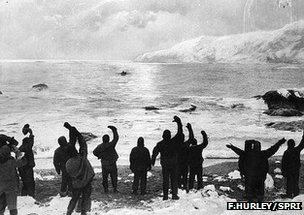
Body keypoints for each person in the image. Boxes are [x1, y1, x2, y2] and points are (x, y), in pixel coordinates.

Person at [151, 116, 184, 200]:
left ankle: (165, 196)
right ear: (169, 136)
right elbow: (180, 132)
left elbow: (154, 152)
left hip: (165, 164)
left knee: (165, 180)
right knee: (174, 180)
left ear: (162, 136)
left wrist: (152, 161)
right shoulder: (173, 141)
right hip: (173, 164)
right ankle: (174, 195)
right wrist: (179, 122)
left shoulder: (160, 144)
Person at [64, 123, 95, 215]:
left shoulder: (68, 163)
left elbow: (71, 144)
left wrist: (71, 130)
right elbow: (83, 144)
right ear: (76, 151)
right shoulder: (82, 158)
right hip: (86, 181)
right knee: (86, 197)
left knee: (74, 198)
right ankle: (83, 212)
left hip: (76, 183)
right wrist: (75, 131)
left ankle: (68, 212)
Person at [0, 144, 27, 215]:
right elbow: (23, 162)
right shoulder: (11, 161)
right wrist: (17, 152)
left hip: (1, 187)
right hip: (11, 187)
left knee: (0, 208)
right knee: (12, 207)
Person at [93, 126, 119, 193]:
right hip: (112, 163)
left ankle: (106, 190)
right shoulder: (111, 145)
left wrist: (99, 156)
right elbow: (116, 138)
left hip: (104, 163)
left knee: (105, 177)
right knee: (114, 177)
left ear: (102, 139)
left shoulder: (100, 146)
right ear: (108, 139)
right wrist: (114, 130)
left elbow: (94, 152)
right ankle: (115, 189)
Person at [282, 131, 304, 198]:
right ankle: (296, 195)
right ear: (294, 144)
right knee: (295, 183)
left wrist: (283, 172)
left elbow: (283, 163)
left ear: (288, 145)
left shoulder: (286, 152)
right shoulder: (297, 150)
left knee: (289, 183)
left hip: (289, 170)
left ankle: (289, 195)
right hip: (296, 170)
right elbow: (302, 144)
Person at [18, 124, 35, 198]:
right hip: (27, 168)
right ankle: (31, 198)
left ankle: (23, 198)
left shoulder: (20, 149)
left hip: (21, 169)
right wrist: (31, 133)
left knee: (25, 184)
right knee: (30, 183)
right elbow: (31, 142)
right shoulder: (27, 148)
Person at [178, 123, 195, 190]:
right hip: (185, 163)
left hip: (178, 163)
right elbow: (191, 138)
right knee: (185, 176)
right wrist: (190, 129)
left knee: (178, 177)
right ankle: (184, 188)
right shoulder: (186, 144)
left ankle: (178, 188)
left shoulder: (175, 146)